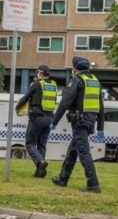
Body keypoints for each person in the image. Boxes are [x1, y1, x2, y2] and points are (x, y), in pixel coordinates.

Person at [51, 56, 105, 193]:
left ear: (75, 69)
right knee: (73, 149)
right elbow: (101, 106)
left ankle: (93, 184)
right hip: (90, 121)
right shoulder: (94, 81)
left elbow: (64, 103)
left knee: (83, 152)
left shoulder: (76, 80)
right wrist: (100, 127)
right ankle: (63, 177)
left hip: (79, 121)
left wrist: (54, 121)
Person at [15, 64, 58, 177]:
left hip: (38, 118)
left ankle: (40, 161)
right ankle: (40, 172)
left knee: (30, 143)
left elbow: (25, 98)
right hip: (49, 118)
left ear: (40, 73)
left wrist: (17, 107)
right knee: (42, 145)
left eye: (38, 73)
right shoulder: (54, 85)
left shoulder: (36, 84)